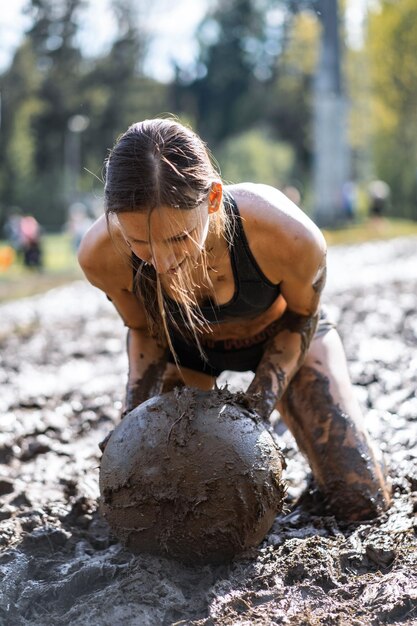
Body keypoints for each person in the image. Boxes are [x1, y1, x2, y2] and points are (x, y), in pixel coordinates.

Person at [78, 118, 391, 522]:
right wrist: (131, 422)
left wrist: (255, 411)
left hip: (283, 335)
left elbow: (301, 319)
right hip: (182, 349)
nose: (163, 260)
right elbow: (142, 330)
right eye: (140, 243)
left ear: (212, 199)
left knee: (360, 502)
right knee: (157, 499)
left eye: (177, 238)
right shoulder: (101, 254)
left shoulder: (290, 236)